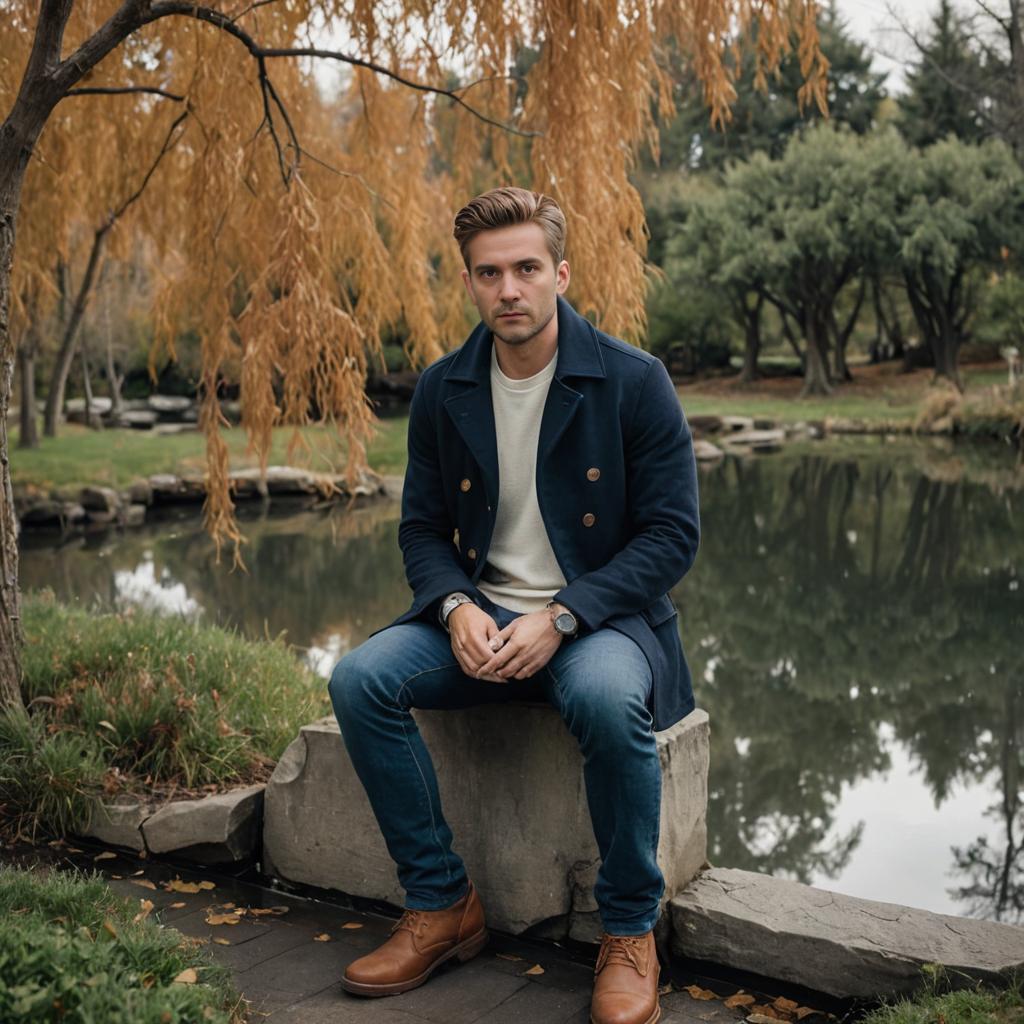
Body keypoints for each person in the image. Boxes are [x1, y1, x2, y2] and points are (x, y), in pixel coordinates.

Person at [328, 185, 700, 1024]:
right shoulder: (442, 389)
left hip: (599, 624)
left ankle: (630, 930)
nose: (510, 289)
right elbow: (421, 529)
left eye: (527, 268)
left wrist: (563, 615)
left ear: (560, 273)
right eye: (489, 273)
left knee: (607, 699)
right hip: (480, 617)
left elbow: (673, 537)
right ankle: (442, 905)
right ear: (469, 283)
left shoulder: (634, 383)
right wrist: (456, 606)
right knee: (359, 680)